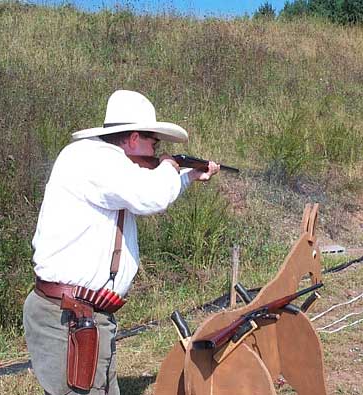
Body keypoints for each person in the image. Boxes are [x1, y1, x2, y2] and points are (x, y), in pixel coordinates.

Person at [23, 90, 220, 395]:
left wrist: (188, 177)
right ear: (132, 139)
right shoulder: (93, 159)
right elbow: (150, 196)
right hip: (67, 316)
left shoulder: (109, 165)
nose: (156, 150)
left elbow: (141, 191)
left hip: (86, 314)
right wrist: (170, 165)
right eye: (154, 143)